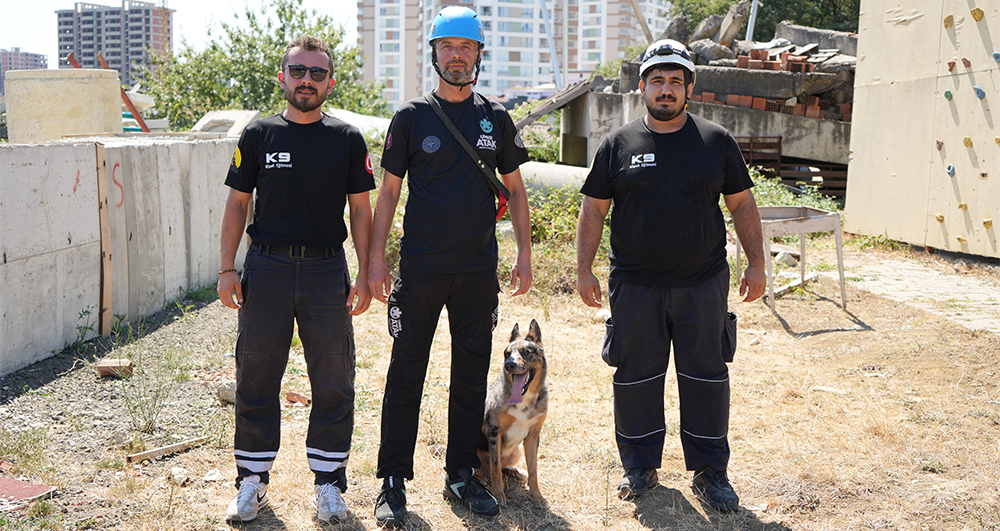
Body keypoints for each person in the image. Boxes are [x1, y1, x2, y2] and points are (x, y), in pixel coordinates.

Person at [575, 39, 766, 512]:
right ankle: (639, 466)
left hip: (702, 282)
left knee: (705, 376)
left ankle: (711, 472)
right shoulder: (618, 144)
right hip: (635, 285)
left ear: (689, 88)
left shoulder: (716, 141)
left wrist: (758, 262)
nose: (666, 89)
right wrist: (583, 269)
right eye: (657, 80)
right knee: (636, 376)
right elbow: (594, 210)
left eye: (675, 81)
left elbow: (742, 204)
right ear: (642, 86)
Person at [367, 5, 533, 527]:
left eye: (466, 48)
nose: (456, 56)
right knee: (406, 372)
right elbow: (389, 192)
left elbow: (517, 192)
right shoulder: (411, 117)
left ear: (479, 55)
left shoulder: (496, 118)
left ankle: (461, 474)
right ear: (434, 53)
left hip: (478, 270)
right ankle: (392, 480)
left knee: (468, 376)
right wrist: (375, 258)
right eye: (448, 47)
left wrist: (525, 253)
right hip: (420, 268)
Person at [216, 35, 375, 523]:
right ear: (282, 76)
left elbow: (361, 210)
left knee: (333, 377)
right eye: (298, 71)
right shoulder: (259, 135)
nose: (307, 80)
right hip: (267, 268)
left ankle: (328, 484)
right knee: (257, 375)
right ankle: (252, 482)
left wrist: (365, 273)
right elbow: (237, 205)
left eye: (317, 73)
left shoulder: (347, 139)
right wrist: (227, 269)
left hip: (327, 269)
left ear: (330, 81)